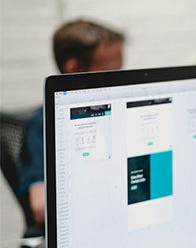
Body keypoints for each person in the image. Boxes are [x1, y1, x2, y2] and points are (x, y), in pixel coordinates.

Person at [19, 19, 124, 228]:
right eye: (110, 73)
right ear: (74, 70)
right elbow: (40, 208)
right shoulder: (44, 126)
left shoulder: (117, 113)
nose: (120, 82)